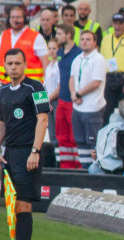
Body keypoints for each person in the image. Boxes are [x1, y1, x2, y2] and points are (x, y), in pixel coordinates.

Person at [0, 48, 49, 240]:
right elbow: (1, 123)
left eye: (17, 63)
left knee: (24, 204)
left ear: (25, 65)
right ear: (4, 66)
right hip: (9, 153)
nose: (13, 67)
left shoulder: (36, 88)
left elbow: (42, 120)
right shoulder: (2, 91)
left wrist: (35, 151)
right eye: (10, 63)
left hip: (27, 153)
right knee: (13, 206)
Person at [0, 6, 48, 97]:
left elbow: (46, 63)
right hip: (7, 85)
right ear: (8, 19)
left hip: (30, 87)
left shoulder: (36, 37)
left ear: (24, 19)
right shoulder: (3, 35)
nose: (15, 20)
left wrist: (47, 85)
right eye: (13, 17)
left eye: (18, 17)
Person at [69, 30, 106, 169]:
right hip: (77, 107)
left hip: (92, 108)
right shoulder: (77, 58)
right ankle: (85, 170)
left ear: (95, 42)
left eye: (88, 39)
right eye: (82, 39)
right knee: (80, 141)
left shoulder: (98, 59)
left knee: (93, 143)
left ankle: (95, 171)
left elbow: (96, 82)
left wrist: (78, 94)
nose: (84, 41)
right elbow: (71, 78)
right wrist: (73, 94)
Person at [55, 23, 82, 168]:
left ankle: (78, 164)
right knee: (62, 135)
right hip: (62, 99)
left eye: (59, 34)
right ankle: (66, 165)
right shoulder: (59, 53)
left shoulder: (78, 53)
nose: (57, 37)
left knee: (74, 136)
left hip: (73, 100)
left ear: (68, 35)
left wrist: (77, 94)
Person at [44, 38, 60, 147]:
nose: (52, 51)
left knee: (59, 129)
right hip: (49, 101)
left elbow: (59, 87)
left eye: (54, 48)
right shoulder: (48, 66)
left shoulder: (59, 65)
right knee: (51, 130)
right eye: (49, 48)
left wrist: (48, 100)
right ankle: (55, 154)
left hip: (56, 100)